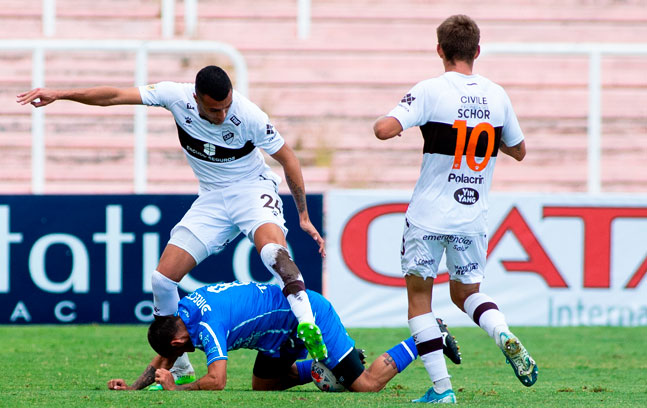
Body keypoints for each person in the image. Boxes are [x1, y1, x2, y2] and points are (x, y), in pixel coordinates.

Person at [16, 65, 328, 382]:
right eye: (214, 110)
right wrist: (60, 94)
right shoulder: (175, 96)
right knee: (162, 280)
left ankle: (307, 323)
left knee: (272, 251)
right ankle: (179, 369)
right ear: (196, 98)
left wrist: (303, 215)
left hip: (252, 190)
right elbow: (114, 95)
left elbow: (288, 158)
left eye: (226, 107)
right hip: (212, 199)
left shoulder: (249, 115)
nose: (222, 115)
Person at [373, 14, 537, 404]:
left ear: (439, 50)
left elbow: (383, 129)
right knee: (466, 294)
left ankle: (442, 389)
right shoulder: (497, 95)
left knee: (419, 301)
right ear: (477, 51)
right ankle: (501, 332)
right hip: (471, 217)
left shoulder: (431, 90)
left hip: (428, 216)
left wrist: (402, 122)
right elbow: (519, 151)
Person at [106, 281, 460, 392]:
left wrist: (176, 388)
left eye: (175, 353)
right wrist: (134, 387)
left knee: (366, 385)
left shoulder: (209, 325)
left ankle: (428, 337)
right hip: (277, 335)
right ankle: (326, 366)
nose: (172, 359)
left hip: (309, 316)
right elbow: (165, 354)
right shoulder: (183, 312)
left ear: (177, 341)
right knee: (264, 386)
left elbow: (217, 381)